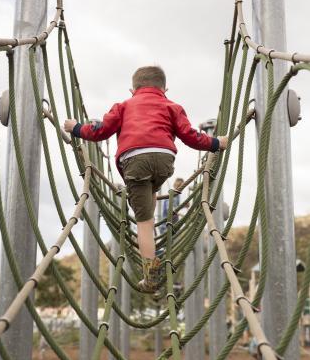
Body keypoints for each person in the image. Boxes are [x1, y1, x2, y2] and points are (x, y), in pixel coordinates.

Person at [64, 65, 228, 292]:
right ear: (165, 88)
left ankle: (150, 276)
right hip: (164, 161)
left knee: (144, 222)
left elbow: (99, 131)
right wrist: (217, 143)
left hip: (135, 162)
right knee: (149, 189)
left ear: (132, 90)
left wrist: (76, 128)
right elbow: (191, 137)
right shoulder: (172, 106)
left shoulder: (123, 106)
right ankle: (146, 203)